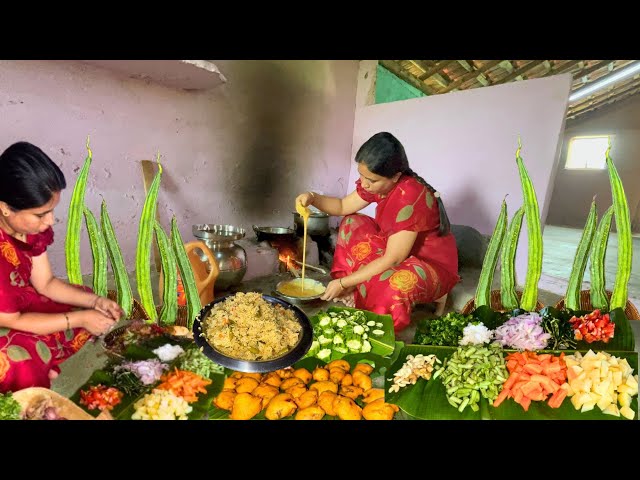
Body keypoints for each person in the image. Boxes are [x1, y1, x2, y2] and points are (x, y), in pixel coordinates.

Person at [296, 132, 459, 333]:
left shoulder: (409, 196)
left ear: (396, 176)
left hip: (427, 264)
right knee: (351, 222)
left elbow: (393, 259)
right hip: (398, 250)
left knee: (395, 283)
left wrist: (342, 281)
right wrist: (312, 198)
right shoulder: (378, 184)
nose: (364, 184)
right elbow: (342, 206)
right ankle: (355, 291)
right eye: (361, 176)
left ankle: (366, 305)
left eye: (371, 180)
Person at [0, 141, 124, 393]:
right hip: (9, 315)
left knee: (84, 299)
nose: (51, 220)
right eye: (40, 214)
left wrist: (94, 303)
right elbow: (14, 319)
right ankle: (38, 367)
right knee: (15, 361)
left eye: (52, 211)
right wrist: (79, 318)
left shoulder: (26, 229)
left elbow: (45, 283)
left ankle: (45, 360)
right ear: (5, 207)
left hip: (15, 303)